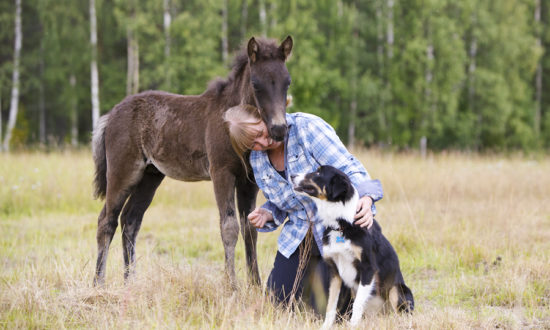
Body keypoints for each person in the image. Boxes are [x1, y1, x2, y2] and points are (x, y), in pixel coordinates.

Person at [223, 104, 383, 313]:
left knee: (330, 311)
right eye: (254, 144)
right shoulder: (257, 160)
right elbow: (284, 202)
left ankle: (376, 291)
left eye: (261, 133)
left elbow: (349, 167)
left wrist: (367, 197)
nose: (263, 142)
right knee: (276, 304)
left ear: (266, 117)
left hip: (337, 230)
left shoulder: (306, 128)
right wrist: (268, 212)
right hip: (299, 236)